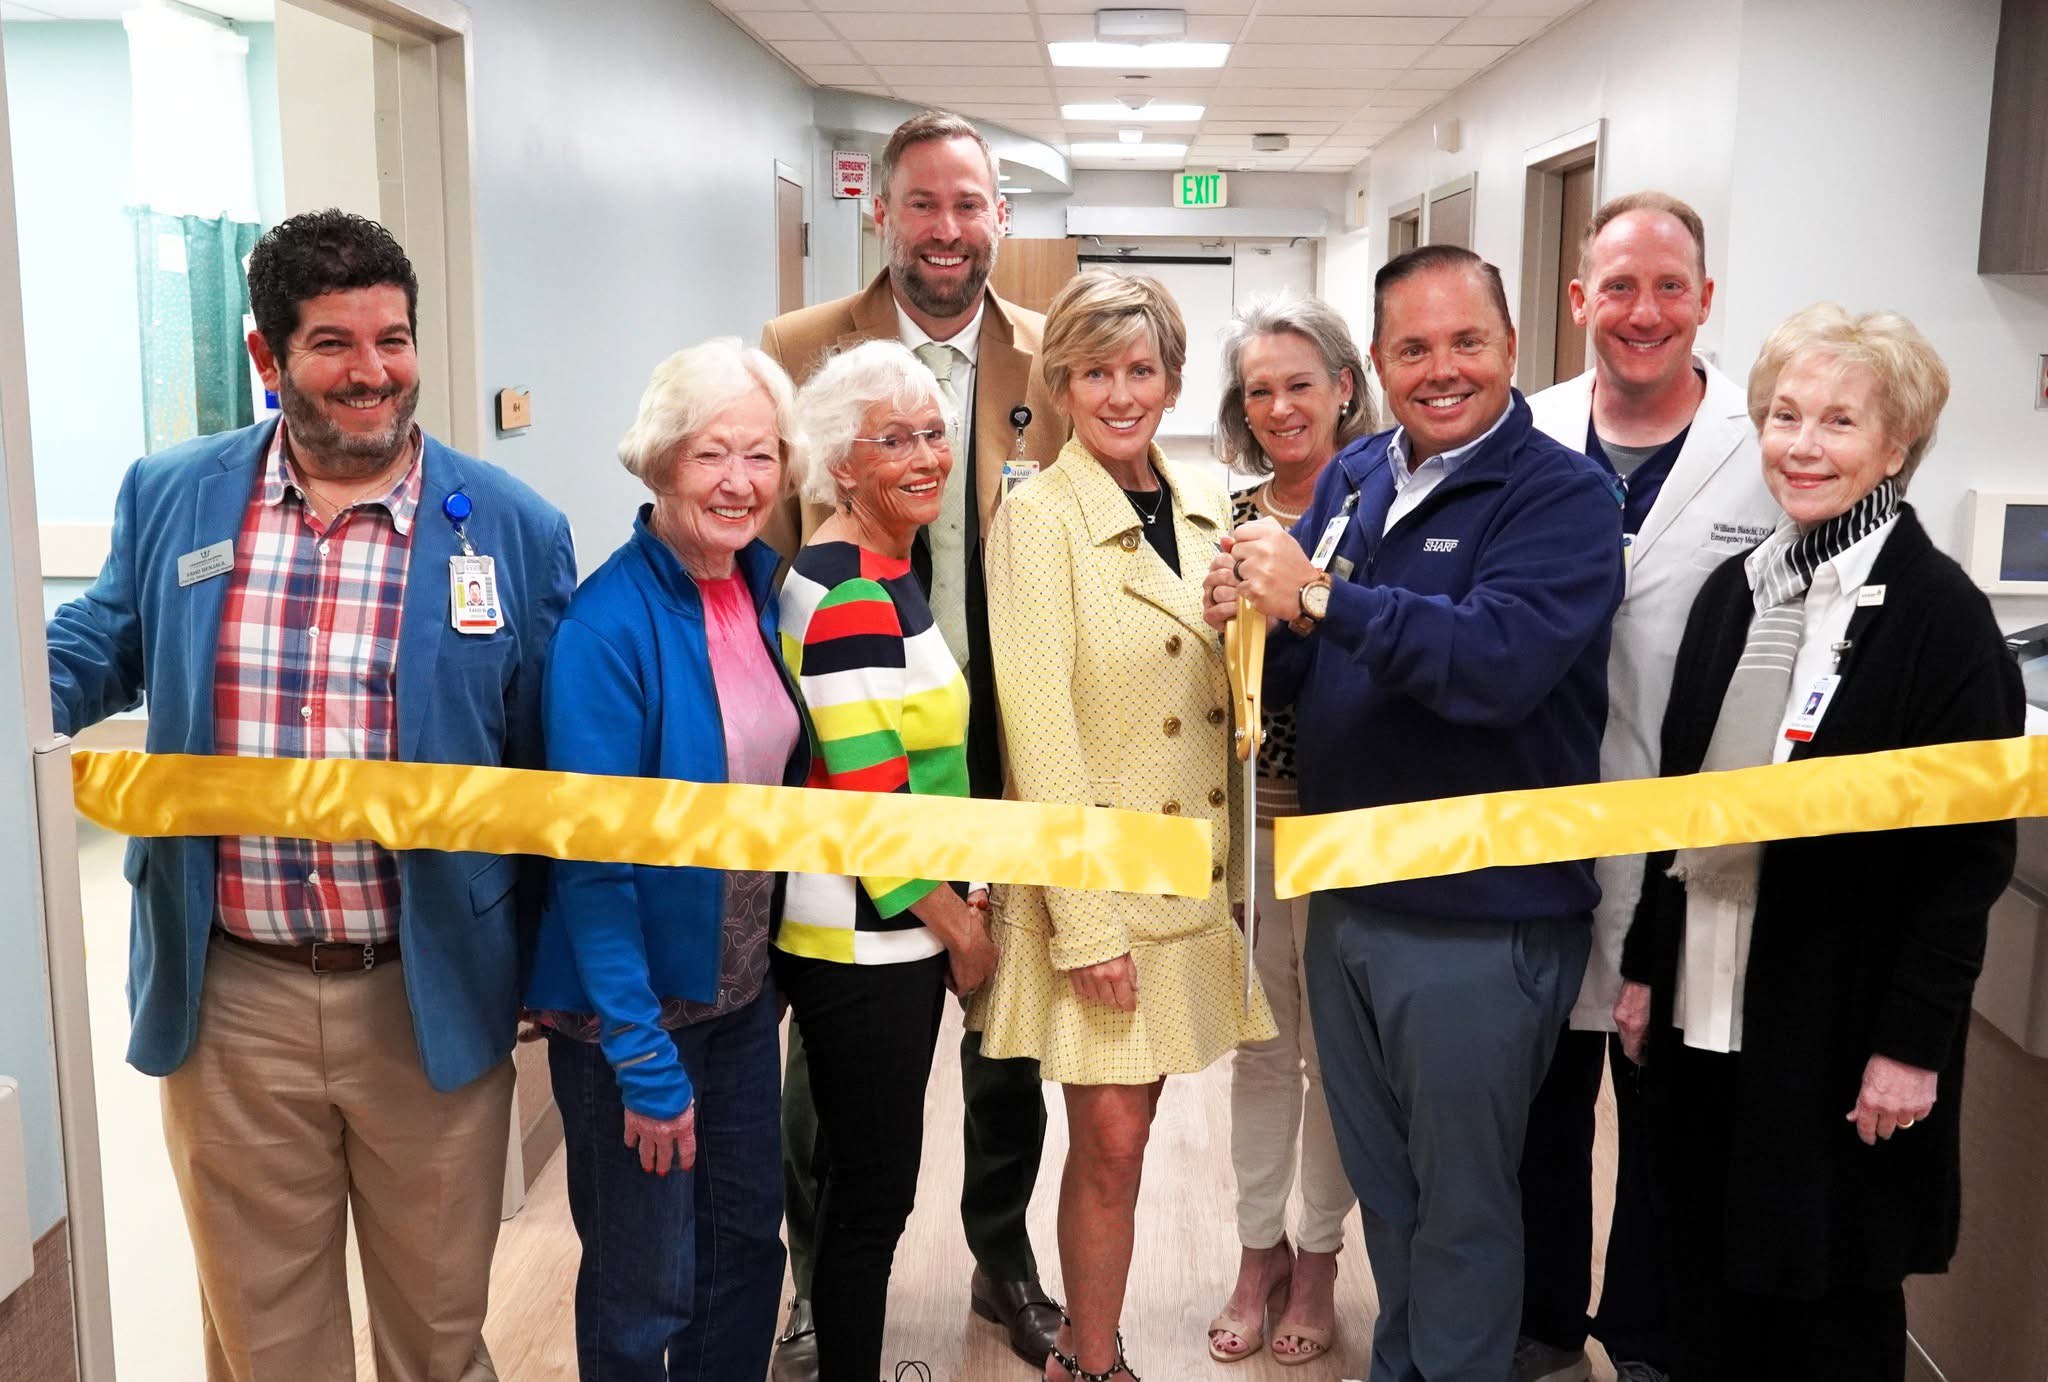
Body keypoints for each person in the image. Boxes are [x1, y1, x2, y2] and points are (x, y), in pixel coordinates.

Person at [44, 209, 575, 1382]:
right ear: (266, 354)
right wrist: (25, 689)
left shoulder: (511, 527)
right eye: (333, 342)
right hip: (235, 991)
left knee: (437, 1333)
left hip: (426, 988)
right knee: (265, 1340)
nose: (372, 371)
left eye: (393, 338)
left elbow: (546, 765)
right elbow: (95, 646)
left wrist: (549, 966)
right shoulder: (176, 495)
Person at [1205, 243, 1625, 1382]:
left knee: (1461, 1207)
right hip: (1348, 891)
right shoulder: (1358, 477)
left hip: (1477, 917)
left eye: (1466, 342)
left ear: (1512, 347)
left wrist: (1320, 597)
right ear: (1377, 366)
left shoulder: (1563, 497)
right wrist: (1254, 620)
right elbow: (1317, 665)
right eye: (1413, 348)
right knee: (1386, 1192)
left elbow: (1496, 663)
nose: (1441, 370)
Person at [1614, 304, 2021, 1380]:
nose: (1801, 445)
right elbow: (1677, 803)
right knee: (1700, 1282)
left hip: (1839, 1030)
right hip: (1704, 1002)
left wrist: (1911, 1045)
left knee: (1823, 1307)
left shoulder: (1941, 621)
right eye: (1783, 415)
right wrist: (1644, 970)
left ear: (1896, 445)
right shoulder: (1734, 594)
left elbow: (1964, 865)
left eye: (1839, 421)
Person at [757, 108, 1067, 1378]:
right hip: (853, 728)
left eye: (969, 204)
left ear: (1000, 216)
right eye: (923, 203)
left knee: (1006, 1037)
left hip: (993, 727)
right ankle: (820, 1282)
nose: (947, 229)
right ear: (878, 211)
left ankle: (1002, 1254)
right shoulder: (797, 349)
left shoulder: (1049, 352)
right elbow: (763, 539)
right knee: (839, 1060)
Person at [974, 269, 1276, 1382]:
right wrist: (1085, 922)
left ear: (1173, 381)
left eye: (1139, 369)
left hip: (1190, 874)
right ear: (1059, 384)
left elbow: (1230, 703)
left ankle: (1084, 1349)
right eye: (1093, 371)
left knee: (1134, 1128)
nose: (1119, 393)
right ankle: (1092, 1359)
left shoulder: (1208, 505)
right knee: (1109, 1137)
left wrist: (1241, 628)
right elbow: (1038, 732)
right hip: (1100, 887)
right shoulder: (1038, 518)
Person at [1514, 192, 1781, 1382]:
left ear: (1704, 300)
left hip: (1691, 850)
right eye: (1617, 285)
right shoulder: (1524, 428)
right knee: (1537, 1109)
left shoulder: (1761, 445)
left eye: (1669, 286)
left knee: (1666, 1117)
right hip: (1537, 831)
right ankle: (1537, 1327)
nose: (1642, 311)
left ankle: (1648, 1341)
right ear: (1578, 299)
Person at [524, 340, 806, 1380]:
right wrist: (640, 1059)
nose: (740, 480)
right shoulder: (606, 627)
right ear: (658, 462)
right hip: (633, 1020)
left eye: (761, 454)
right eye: (710, 453)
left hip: (738, 999)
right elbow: (592, 866)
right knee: (643, 1289)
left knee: (744, 1255)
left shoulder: (759, 586)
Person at [775, 339, 1002, 1382]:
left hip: (867, 931)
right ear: (839, 462)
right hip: (869, 940)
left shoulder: (861, 567)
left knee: (855, 1189)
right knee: (871, 1200)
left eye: (932, 433)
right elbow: (874, 808)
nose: (925, 457)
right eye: (892, 440)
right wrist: (960, 930)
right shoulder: (855, 596)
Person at [1205, 293, 1375, 1368]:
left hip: (1348, 825)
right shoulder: (1224, 512)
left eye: (1298, 385)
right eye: (1258, 390)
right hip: (1255, 825)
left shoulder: (1380, 500)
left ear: (1343, 389)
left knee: (1334, 1056)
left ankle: (1318, 1258)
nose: (1278, 408)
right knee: (1262, 1050)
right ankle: (1254, 1250)